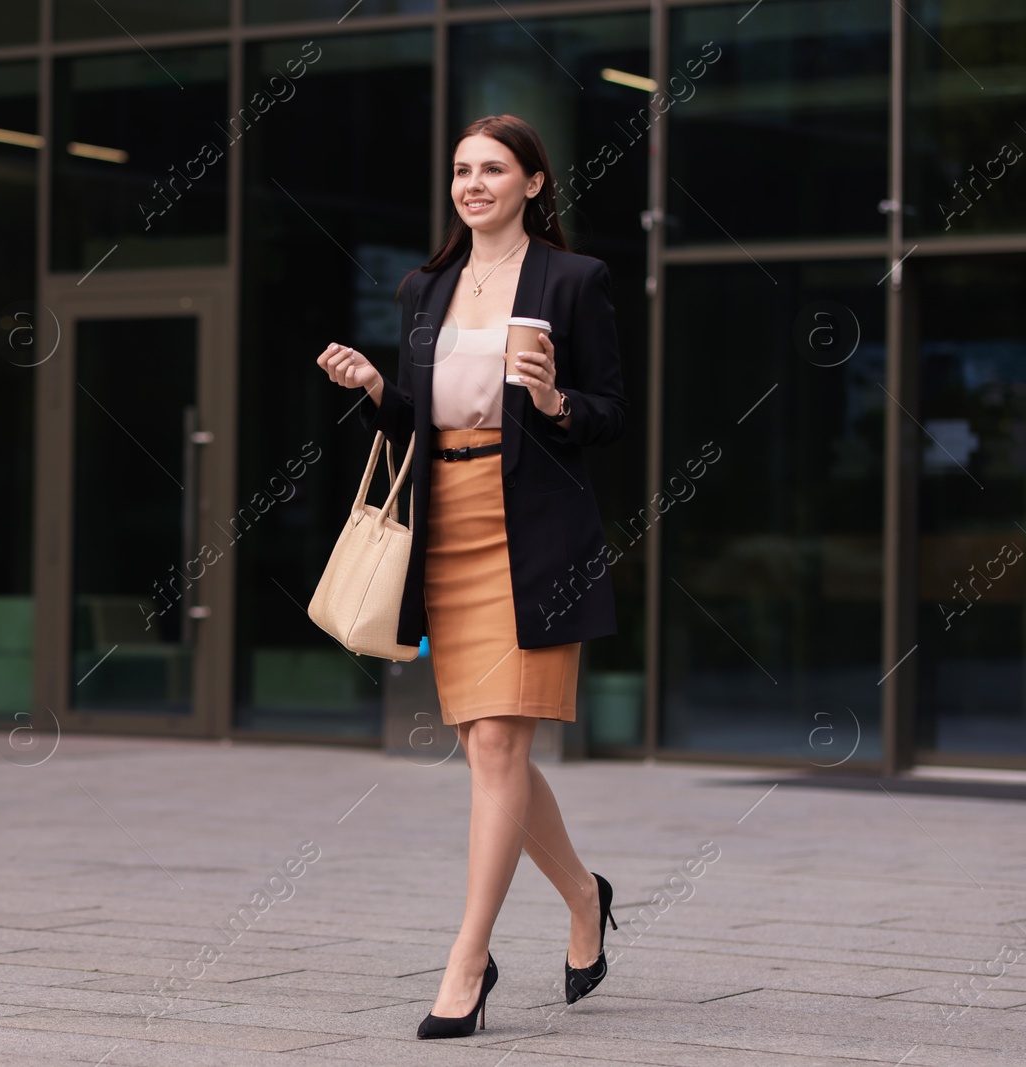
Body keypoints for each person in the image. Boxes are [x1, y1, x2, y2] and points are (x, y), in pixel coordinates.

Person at [315, 114, 627, 1039]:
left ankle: (467, 958)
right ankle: (583, 893)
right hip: (444, 532)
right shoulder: (427, 285)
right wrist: (376, 387)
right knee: (492, 751)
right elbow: (418, 417)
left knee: (497, 749)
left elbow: (608, 412)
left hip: (529, 533)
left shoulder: (574, 280)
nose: (473, 183)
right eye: (461, 169)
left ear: (535, 183)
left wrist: (551, 397)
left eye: (494, 168)